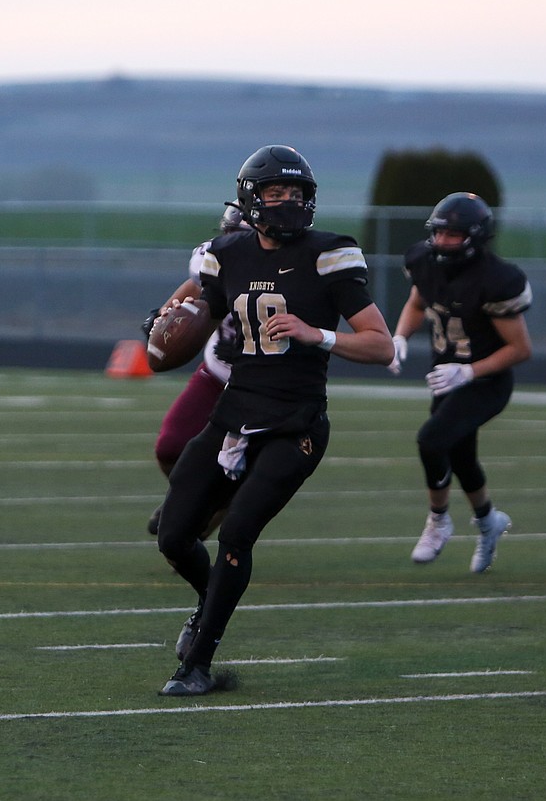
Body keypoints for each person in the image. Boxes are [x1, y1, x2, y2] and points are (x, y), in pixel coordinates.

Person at [155, 145, 394, 696]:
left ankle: (197, 664)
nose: (286, 202)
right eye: (274, 193)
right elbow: (198, 298)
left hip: (297, 423)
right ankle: (208, 603)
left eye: (296, 193)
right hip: (235, 413)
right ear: (251, 199)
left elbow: (381, 346)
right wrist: (164, 317)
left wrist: (321, 335)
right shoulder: (227, 253)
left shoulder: (330, 254)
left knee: (237, 531)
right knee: (172, 536)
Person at [387, 192, 532, 572]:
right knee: (461, 457)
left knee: (431, 440)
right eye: (439, 233)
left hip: (487, 380)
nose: (443, 242)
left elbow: (520, 349)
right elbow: (418, 302)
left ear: (476, 237)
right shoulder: (424, 260)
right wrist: (400, 336)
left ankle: (438, 520)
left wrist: (468, 371)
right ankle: (489, 523)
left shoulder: (496, 279)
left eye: (453, 235)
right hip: (445, 377)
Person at [143, 205, 249, 538]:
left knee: (184, 545)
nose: (231, 242)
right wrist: (165, 315)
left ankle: (215, 504)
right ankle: (198, 498)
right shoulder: (213, 258)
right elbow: (196, 285)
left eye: (241, 236)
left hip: (264, 383)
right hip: (218, 370)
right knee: (170, 448)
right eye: (229, 234)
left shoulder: (291, 268)